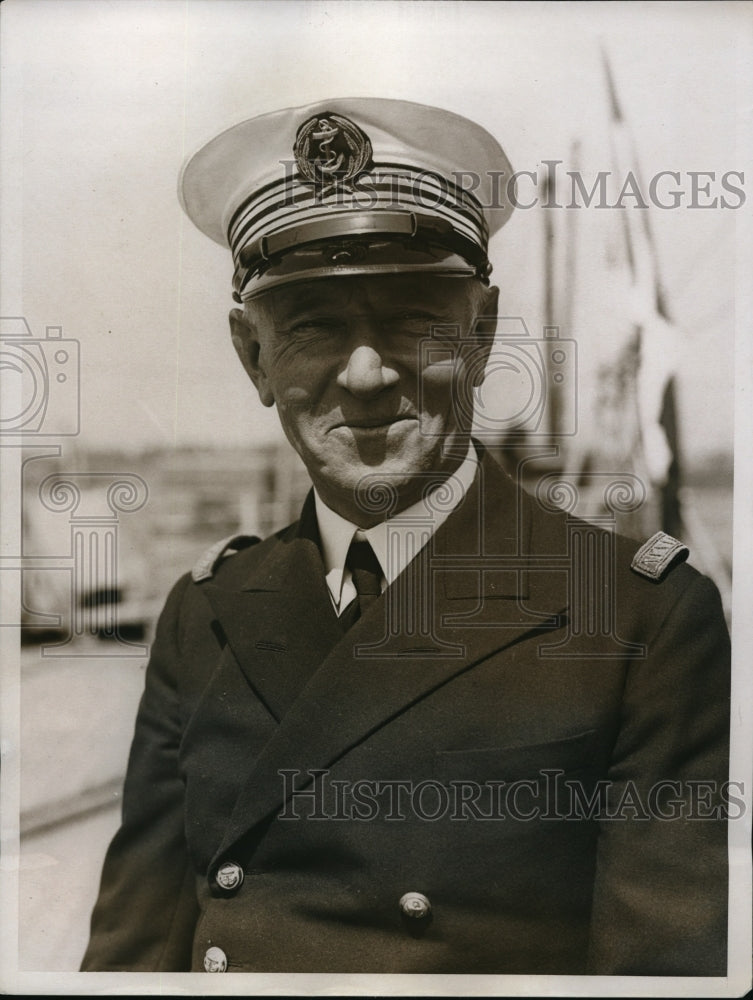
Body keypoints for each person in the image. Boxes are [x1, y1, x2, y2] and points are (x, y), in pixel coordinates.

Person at [81, 98, 730, 976]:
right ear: (253, 356)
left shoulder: (638, 620)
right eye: (310, 326)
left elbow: (659, 980)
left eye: (408, 320)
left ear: (480, 332)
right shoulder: (209, 614)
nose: (364, 375)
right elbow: (127, 960)